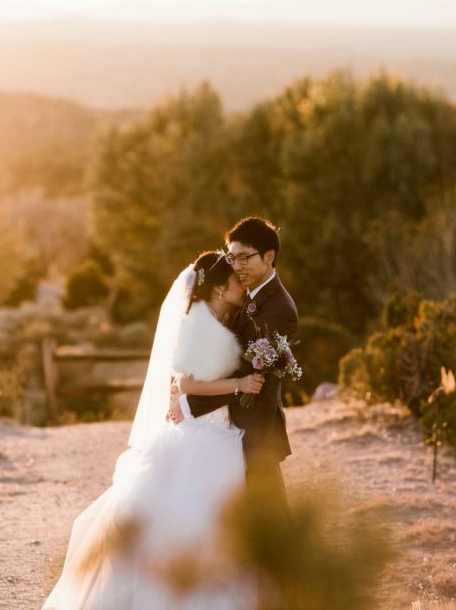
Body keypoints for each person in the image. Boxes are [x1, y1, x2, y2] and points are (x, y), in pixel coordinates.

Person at [43, 251, 261, 610]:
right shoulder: (199, 324)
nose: (243, 284)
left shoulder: (217, 319)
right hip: (205, 437)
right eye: (236, 280)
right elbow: (187, 383)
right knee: (197, 523)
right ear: (220, 287)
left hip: (215, 431)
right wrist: (239, 385)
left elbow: (179, 384)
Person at [172, 217, 296, 513]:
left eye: (244, 257)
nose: (237, 266)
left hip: (255, 428)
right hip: (226, 428)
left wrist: (190, 401)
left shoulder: (279, 309)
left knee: (267, 516)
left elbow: (253, 379)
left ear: (269, 257)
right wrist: (183, 393)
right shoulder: (237, 303)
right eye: (233, 257)